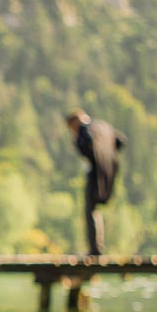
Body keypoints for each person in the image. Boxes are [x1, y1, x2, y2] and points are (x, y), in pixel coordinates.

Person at [66, 109, 126, 256]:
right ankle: (98, 247)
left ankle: (95, 249)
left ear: (75, 122)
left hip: (96, 173)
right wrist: (107, 152)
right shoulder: (103, 126)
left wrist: (77, 142)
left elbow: (85, 148)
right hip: (109, 170)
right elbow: (121, 141)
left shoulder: (85, 130)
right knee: (95, 209)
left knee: (90, 210)